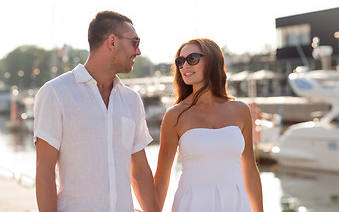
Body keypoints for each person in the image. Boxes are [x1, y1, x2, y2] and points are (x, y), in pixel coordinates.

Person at [34, 11, 160, 212]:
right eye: (134, 43)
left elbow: (140, 171)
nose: (138, 51)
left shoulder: (131, 100)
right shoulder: (55, 93)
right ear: (112, 42)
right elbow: (45, 170)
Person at [154, 38, 264, 212]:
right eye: (180, 61)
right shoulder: (175, 115)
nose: (184, 66)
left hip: (236, 204)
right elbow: (161, 178)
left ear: (213, 61)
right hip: (191, 205)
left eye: (192, 58)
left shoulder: (240, 110)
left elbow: (250, 170)